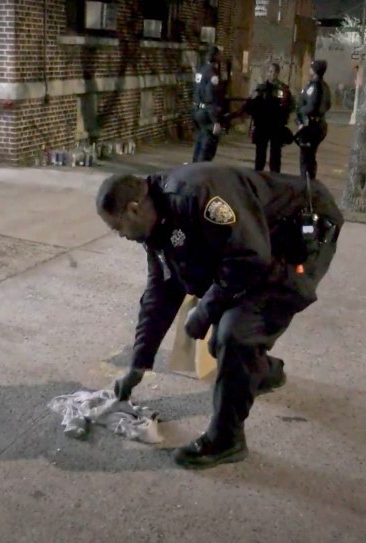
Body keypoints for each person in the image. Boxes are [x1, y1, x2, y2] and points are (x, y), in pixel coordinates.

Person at [96, 162, 343, 469]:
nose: (119, 235)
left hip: (298, 232)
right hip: (257, 242)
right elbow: (160, 292)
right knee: (227, 347)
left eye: (117, 227)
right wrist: (139, 363)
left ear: (133, 209)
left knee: (235, 335)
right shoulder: (156, 223)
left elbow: (251, 258)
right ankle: (261, 371)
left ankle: (227, 441)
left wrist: (205, 310)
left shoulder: (197, 196)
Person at [244, 63, 294, 173]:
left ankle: (275, 175)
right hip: (262, 125)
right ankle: (258, 173)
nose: (271, 74)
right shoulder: (261, 88)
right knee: (260, 153)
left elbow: (289, 105)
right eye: (269, 71)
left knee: (275, 154)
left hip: (276, 125)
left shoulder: (282, 89)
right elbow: (250, 104)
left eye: (274, 72)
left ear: (277, 74)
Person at [295, 59, 332, 180]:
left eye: (311, 67)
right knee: (310, 157)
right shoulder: (325, 86)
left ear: (315, 71)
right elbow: (328, 105)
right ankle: (310, 182)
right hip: (319, 125)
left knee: (306, 158)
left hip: (310, 126)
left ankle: (306, 185)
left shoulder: (315, 86)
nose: (309, 69)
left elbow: (311, 106)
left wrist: (300, 111)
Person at [191, 46, 226, 163]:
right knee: (207, 147)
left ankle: (193, 168)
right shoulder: (213, 74)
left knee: (200, 141)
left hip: (197, 110)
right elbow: (211, 96)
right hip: (207, 114)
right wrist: (215, 120)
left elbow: (196, 91)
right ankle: (200, 172)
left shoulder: (200, 70)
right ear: (216, 57)